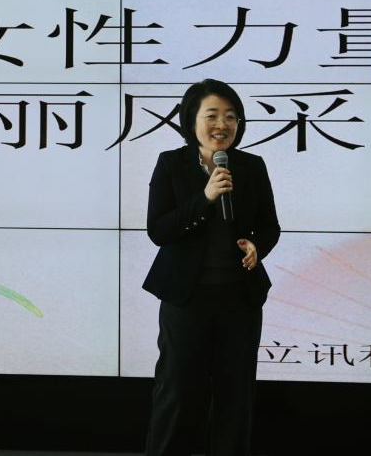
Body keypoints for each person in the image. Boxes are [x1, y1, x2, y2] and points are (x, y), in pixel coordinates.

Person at [143, 78, 281, 456]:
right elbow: (159, 230)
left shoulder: (251, 166)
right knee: (177, 390)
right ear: (192, 121)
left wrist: (257, 245)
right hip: (187, 298)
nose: (223, 124)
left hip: (240, 298)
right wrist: (204, 198)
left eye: (231, 117)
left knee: (235, 395)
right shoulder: (171, 164)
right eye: (213, 115)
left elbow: (269, 226)